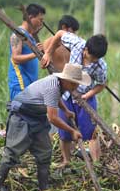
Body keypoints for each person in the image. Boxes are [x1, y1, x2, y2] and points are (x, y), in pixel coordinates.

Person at [0, 63, 90, 191]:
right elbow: (52, 118)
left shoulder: (60, 86)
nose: (76, 87)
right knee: (13, 152)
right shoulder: (53, 86)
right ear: (66, 80)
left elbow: (54, 100)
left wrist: (66, 110)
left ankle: (43, 188)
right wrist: (72, 131)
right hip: (22, 116)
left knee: (45, 153)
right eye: (74, 84)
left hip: (37, 117)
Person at [41, 32, 108, 167]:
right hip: (66, 95)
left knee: (91, 132)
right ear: (86, 49)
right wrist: (48, 53)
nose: (92, 61)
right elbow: (59, 34)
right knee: (64, 132)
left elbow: (101, 85)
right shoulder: (77, 43)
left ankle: (96, 164)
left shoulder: (101, 66)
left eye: (96, 59)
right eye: (91, 56)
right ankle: (66, 161)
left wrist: (88, 95)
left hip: (85, 98)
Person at [8, 3, 46, 100]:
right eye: (40, 20)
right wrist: (35, 53)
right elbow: (15, 58)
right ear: (30, 17)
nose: (41, 23)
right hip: (20, 84)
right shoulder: (17, 34)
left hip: (30, 85)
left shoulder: (30, 36)